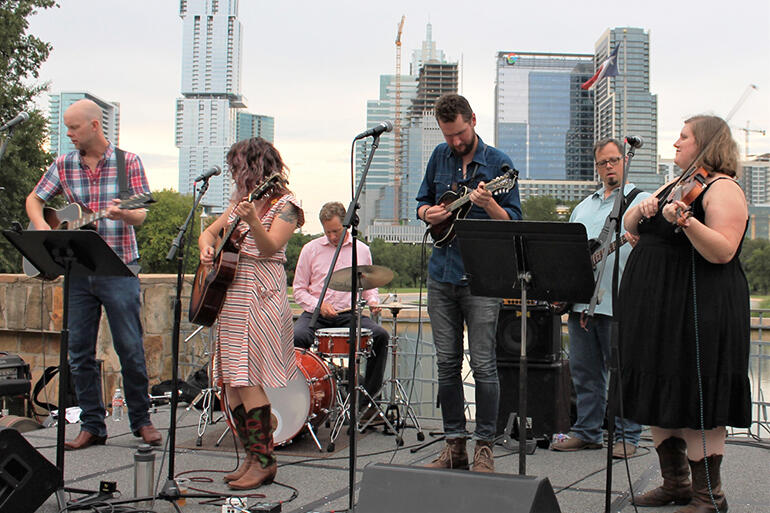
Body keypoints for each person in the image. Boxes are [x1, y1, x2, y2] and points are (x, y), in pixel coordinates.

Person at [619, 116, 751, 512]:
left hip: (697, 308)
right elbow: (631, 228)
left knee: (698, 397)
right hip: (657, 311)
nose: (675, 143)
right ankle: (675, 483)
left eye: (684, 137)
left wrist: (688, 222)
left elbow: (723, 250)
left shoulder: (722, 188)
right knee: (663, 390)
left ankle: (708, 496)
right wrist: (640, 209)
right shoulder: (674, 184)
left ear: (706, 144)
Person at [25, 99, 161, 450]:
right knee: (79, 352)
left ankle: (142, 420)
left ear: (94, 126)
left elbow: (141, 214)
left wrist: (122, 214)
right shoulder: (64, 163)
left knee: (130, 348)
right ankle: (91, 424)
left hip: (120, 268)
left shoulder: (127, 162)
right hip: (79, 270)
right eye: (67, 128)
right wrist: (42, 228)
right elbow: (34, 200)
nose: (68, 134)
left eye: (73, 127)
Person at [415, 93, 521, 473]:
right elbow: (421, 203)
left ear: (473, 120)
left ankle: (485, 447)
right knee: (446, 364)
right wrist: (430, 212)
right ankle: (453, 445)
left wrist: (488, 203)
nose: (456, 142)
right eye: (449, 136)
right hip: (441, 274)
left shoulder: (499, 164)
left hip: (482, 278)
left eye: (460, 133)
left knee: (484, 365)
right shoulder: (438, 158)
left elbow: (513, 223)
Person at [198, 137, 304, 490]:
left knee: (247, 378)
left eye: (237, 168)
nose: (233, 174)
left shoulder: (286, 204)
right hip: (232, 295)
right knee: (230, 383)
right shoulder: (241, 201)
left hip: (260, 293)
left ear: (255, 167)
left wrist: (251, 220)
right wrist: (207, 248)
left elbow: (269, 246)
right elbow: (209, 232)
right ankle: (251, 455)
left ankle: (265, 460)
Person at [551, 138, 647, 458]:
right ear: (597, 167)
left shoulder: (641, 200)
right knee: (584, 371)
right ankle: (588, 431)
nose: (609, 167)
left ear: (625, 161)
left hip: (621, 302)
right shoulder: (583, 207)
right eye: (603, 162)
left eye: (614, 160)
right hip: (582, 302)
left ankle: (627, 435)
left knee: (622, 371)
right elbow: (569, 255)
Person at [292, 201, 388, 420]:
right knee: (296, 337)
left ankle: (369, 405)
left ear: (345, 225)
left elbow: (369, 285)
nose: (333, 237)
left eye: (336, 231)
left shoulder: (361, 250)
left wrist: (373, 301)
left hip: (349, 314)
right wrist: (318, 305)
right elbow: (298, 290)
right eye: (328, 232)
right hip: (316, 313)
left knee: (381, 336)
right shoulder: (311, 249)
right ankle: (302, 402)